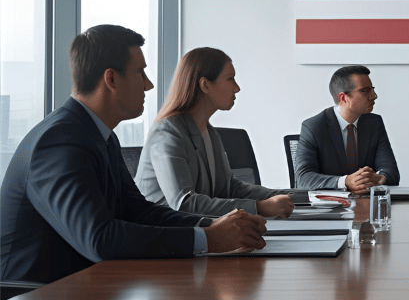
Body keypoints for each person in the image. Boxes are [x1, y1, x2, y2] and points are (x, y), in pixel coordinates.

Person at [0, 25, 266, 285]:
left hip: (85, 282)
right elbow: (99, 239)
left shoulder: (99, 135)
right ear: (111, 79)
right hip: (37, 291)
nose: (149, 85)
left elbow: (139, 212)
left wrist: (216, 225)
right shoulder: (59, 141)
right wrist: (209, 238)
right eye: (141, 73)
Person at [135, 48, 294, 218]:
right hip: (161, 235)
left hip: (195, 229)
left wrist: (295, 196)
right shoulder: (167, 133)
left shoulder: (209, 132)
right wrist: (259, 207)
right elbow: (184, 203)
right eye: (230, 78)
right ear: (205, 85)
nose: (237, 88)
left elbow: (228, 188)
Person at [295, 65, 400, 191]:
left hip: (365, 205)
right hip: (331, 207)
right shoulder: (314, 127)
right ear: (343, 98)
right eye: (365, 91)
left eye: (372, 90)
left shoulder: (374, 123)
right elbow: (303, 179)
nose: (374, 96)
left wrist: (379, 178)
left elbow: (391, 172)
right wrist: (345, 181)